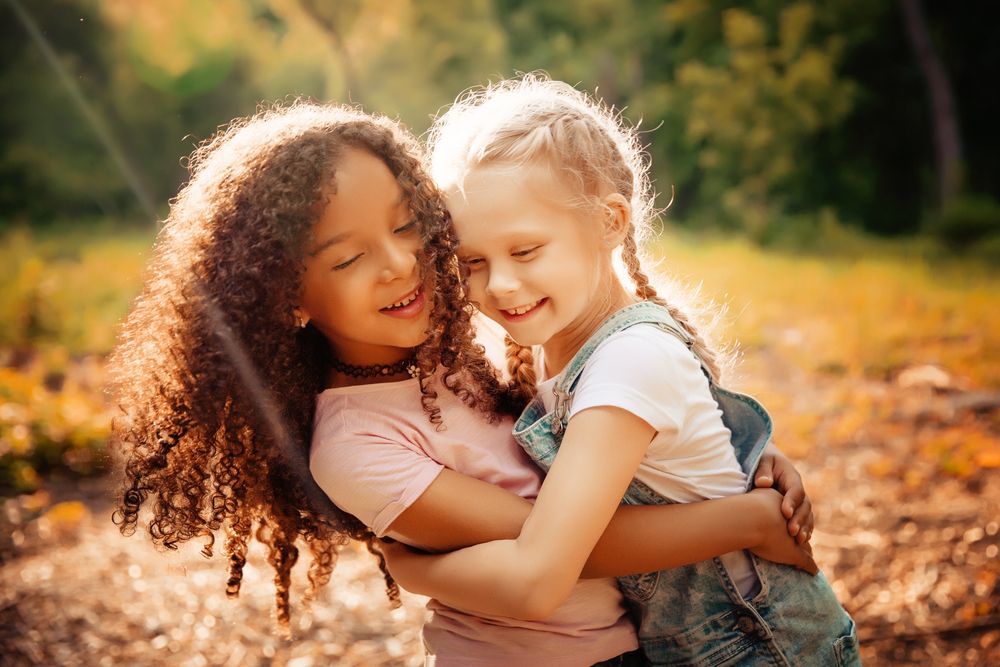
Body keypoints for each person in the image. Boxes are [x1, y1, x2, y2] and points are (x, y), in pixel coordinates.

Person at [110, 100, 816, 666]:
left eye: (410, 226)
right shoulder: (354, 443)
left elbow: (612, 429)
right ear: (285, 297)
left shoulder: (460, 348)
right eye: (351, 256)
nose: (400, 264)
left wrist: (730, 466)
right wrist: (743, 518)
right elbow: (566, 544)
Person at [381, 75, 861, 666]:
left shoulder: (628, 361)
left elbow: (541, 572)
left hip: (756, 647)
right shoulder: (556, 345)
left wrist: (416, 567)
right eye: (473, 262)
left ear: (609, 222)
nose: (499, 284)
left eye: (526, 250)